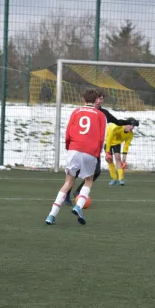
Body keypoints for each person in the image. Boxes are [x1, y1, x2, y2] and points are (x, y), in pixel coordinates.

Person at [64, 89, 139, 204]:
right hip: (81, 147)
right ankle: (67, 195)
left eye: (102, 99)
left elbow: (117, 122)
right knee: (76, 171)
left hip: (94, 149)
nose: (100, 101)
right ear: (93, 99)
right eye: (98, 98)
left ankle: (78, 192)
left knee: (97, 172)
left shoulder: (104, 113)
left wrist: (128, 121)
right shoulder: (84, 111)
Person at [45, 89, 107, 225]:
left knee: (68, 182)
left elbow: (68, 132)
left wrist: (69, 147)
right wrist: (97, 154)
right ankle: (78, 206)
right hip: (90, 151)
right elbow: (102, 137)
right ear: (96, 100)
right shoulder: (100, 115)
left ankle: (51, 215)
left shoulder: (76, 112)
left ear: (83, 100)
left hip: (74, 149)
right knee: (88, 180)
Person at [104, 120, 136, 186]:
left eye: (133, 126)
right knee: (109, 159)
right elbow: (109, 139)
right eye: (130, 125)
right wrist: (107, 152)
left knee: (118, 159)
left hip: (117, 143)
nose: (132, 127)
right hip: (108, 142)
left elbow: (126, 147)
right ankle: (114, 179)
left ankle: (121, 179)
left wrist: (124, 160)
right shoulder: (117, 128)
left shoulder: (130, 134)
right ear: (126, 124)